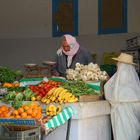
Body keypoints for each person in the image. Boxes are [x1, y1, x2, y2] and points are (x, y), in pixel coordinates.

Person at [104, 53, 140, 140]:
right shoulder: (134, 83)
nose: (117, 65)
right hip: (133, 121)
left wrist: (106, 81)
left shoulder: (122, 75)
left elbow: (110, 94)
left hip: (121, 119)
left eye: (118, 63)